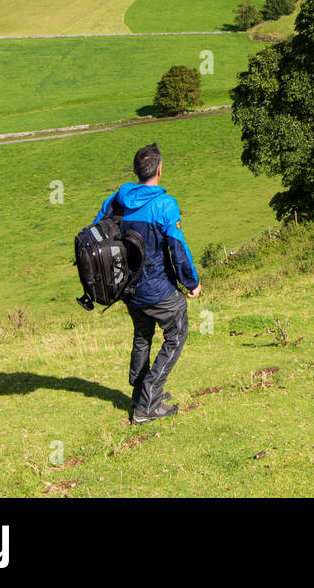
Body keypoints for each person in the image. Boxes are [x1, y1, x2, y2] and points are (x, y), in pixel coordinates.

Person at [92, 142, 200, 423]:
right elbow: (178, 250)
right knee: (177, 334)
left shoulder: (116, 200)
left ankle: (139, 391)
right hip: (157, 289)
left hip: (127, 289)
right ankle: (147, 403)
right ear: (160, 170)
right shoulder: (165, 204)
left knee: (143, 336)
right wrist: (192, 284)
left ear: (135, 171)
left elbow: (95, 235)